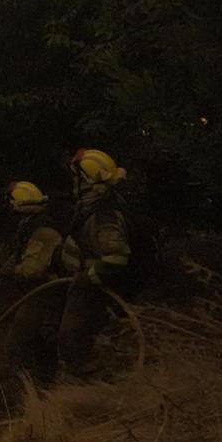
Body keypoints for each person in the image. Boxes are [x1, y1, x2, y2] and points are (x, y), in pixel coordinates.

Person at [57, 148, 132, 380]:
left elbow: (116, 258)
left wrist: (85, 280)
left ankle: (88, 394)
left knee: (75, 340)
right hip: (85, 287)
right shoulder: (93, 208)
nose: (73, 183)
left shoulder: (103, 215)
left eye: (76, 177)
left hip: (92, 291)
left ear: (87, 180)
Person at [0, 180, 65, 384]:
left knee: (20, 346)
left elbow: (31, 270)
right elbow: (22, 254)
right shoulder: (28, 226)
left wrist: (10, 271)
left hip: (45, 297)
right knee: (37, 346)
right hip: (37, 296)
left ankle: (35, 394)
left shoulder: (43, 231)